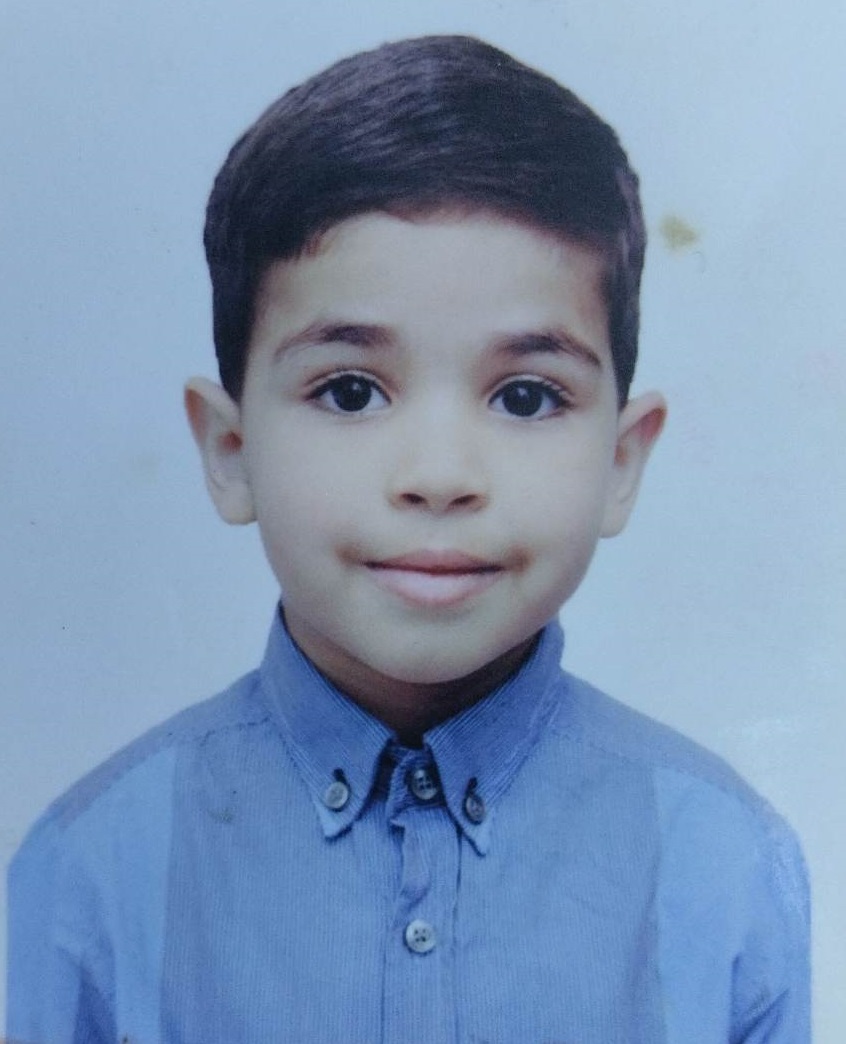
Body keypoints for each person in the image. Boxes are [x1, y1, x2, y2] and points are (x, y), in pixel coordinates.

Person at [7, 35, 810, 1043]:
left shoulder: (726, 864)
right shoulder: (91, 870)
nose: (438, 475)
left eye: (526, 397)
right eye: (351, 391)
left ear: (621, 460)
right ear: (230, 450)